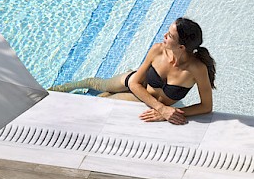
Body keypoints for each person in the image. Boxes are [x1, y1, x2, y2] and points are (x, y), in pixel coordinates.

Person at [49, 17, 216, 125]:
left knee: (102, 100)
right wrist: (161, 108)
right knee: (96, 83)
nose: (164, 35)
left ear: (181, 47)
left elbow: (206, 106)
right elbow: (135, 82)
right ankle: (59, 89)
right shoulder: (158, 50)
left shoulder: (197, 69)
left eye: (170, 36)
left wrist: (173, 112)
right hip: (135, 82)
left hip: (140, 97)